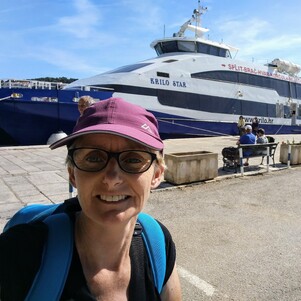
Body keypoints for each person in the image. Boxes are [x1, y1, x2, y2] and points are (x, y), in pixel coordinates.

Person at [0, 97, 182, 301]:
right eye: (94, 158)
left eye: (133, 159)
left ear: (157, 175)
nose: (112, 179)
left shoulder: (158, 243)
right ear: (72, 174)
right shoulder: (19, 254)